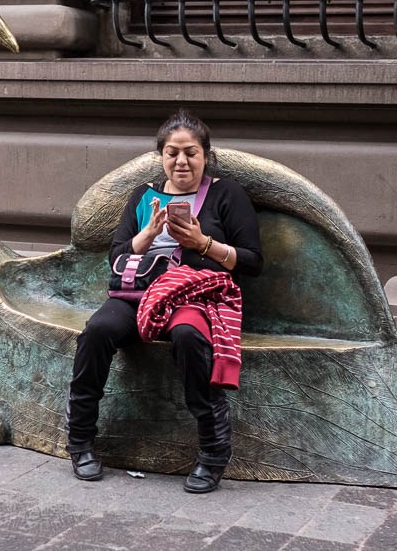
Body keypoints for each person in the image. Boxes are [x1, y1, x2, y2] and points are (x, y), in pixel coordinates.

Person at [65, 109, 263, 493]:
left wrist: (202, 244)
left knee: (189, 336)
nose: (181, 161)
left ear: (206, 155)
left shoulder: (226, 194)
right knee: (97, 331)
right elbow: (118, 254)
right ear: (161, 156)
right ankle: (80, 441)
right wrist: (149, 234)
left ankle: (212, 453)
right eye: (172, 153)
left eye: (190, 152)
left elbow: (252, 261)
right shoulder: (144, 195)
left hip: (193, 293)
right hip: (138, 293)